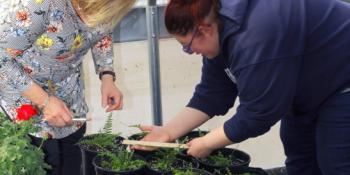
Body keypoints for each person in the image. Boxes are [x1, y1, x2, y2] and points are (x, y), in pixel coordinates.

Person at [135, 0, 350, 174]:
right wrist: (168, 132)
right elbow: (212, 94)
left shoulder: (255, 34)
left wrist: (208, 142)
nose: (190, 52)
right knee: (300, 159)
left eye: (187, 47)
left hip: (343, 80)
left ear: (204, 30)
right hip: (308, 88)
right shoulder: (219, 29)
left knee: (336, 161)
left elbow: (259, 113)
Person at [0, 0, 135, 174]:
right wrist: (44, 101)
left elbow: (103, 31)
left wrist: (107, 75)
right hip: (25, 99)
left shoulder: (109, 4)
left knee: (71, 163)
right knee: (47, 161)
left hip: (69, 97)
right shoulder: (42, 5)